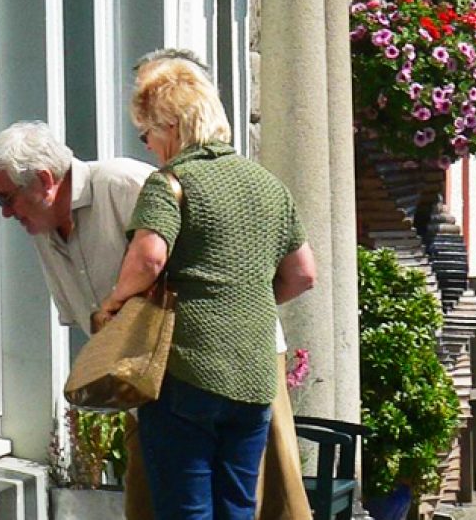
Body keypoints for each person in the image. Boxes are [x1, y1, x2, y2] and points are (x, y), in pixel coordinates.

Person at [97, 52, 318, 519]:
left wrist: (116, 300)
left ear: (172, 126)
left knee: (186, 509)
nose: (149, 146)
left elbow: (150, 257)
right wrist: (246, 296)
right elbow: (303, 274)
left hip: (187, 372)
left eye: (148, 133)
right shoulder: (268, 184)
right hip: (255, 375)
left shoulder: (172, 183)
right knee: (237, 507)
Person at [0, 121, 156, 519]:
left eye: (7, 199)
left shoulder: (123, 183)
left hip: (192, 384)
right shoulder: (43, 226)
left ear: (44, 180)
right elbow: (86, 318)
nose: (6, 214)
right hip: (141, 395)